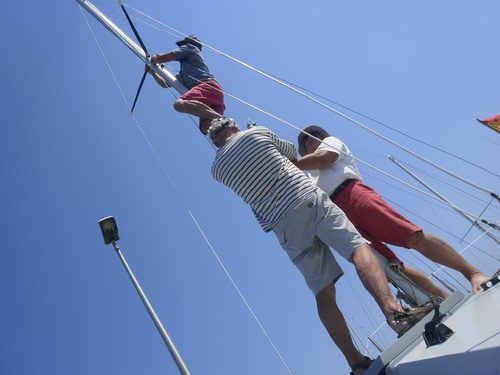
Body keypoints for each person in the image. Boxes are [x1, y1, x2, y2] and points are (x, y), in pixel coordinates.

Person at [208, 118, 434, 375]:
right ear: (234, 127)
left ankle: (356, 363)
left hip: (282, 227)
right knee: (358, 249)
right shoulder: (256, 132)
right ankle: (396, 314)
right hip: (306, 198)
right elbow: (291, 154)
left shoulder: (216, 170)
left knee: (322, 291)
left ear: (214, 141)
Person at [295, 125, 490, 296]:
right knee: (391, 267)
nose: (310, 138)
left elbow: (324, 158)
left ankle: (473, 273)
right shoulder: (305, 175)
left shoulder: (330, 143)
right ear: (303, 150)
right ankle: (447, 299)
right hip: (336, 215)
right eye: (305, 139)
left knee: (411, 237)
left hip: (352, 194)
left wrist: (293, 163)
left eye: (314, 134)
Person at [148, 35, 225, 135]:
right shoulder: (183, 73)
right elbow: (165, 83)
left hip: (207, 86)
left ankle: (223, 121)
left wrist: (155, 59)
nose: (180, 47)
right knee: (206, 127)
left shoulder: (191, 47)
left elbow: (163, 58)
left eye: (182, 45)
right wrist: (153, 73)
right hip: (210, 96)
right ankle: (230, 136)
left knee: (179, 105)